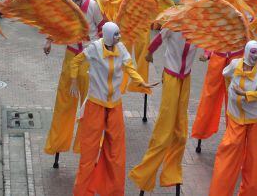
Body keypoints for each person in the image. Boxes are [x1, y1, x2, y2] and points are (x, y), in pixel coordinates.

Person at [68, 22, 155, 196]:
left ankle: (113, 191)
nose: (119, 37)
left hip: (115, 105)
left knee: (116, 153)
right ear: (108, 35)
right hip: (95, 105)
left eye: (118, 34)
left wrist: (141, 81)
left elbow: (130, 68)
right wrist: (73, 80)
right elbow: (76, 61)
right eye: (116, 34)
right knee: (89, 153)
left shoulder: (121, 48)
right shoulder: (94, 48)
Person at [129, 26, 197, 193]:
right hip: (172, 77)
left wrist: (209, 54)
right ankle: (144, 174)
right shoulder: (173, 26)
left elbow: (212, 41)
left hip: (185, 79)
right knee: (164, 131)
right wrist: (150, 53)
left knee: (181, 132)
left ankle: (172, 174)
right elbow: (158, 39)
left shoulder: (199, 28)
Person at [43, 0, 105, 165]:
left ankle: (87, 148)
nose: (76, 1)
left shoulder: (93, 6)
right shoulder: (69, 6)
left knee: (89, 102)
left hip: (88, 57)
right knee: (64, 100)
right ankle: (58, 142)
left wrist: (101, 51)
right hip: (71, 55)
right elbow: (57, 24)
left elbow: (102, 28)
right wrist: (48, 41)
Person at [208, 41, 257, 196]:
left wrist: (244, 95)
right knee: (227, 157)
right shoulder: (235, 64)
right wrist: (230, 91)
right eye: (253, 52)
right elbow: (224, 73)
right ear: (247, 51)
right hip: (236, 119)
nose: (256, 55)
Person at [190, 48, 242, 150]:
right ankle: (201, 130)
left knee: (235, 99)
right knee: (209, 96)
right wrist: (207, 53)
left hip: (237, 58)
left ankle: (235, 138)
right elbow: (213, 33)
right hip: (219, 56)